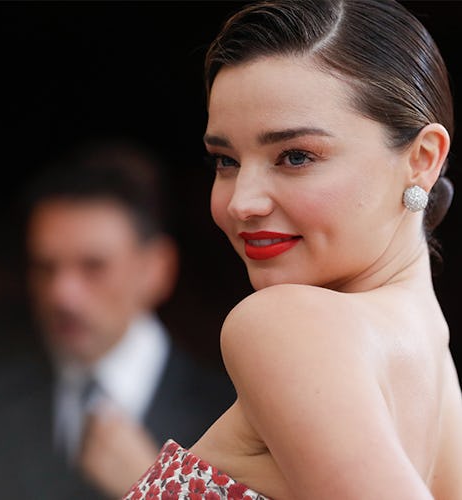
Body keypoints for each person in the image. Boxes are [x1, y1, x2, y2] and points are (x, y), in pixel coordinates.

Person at [123, 0, 462, 498]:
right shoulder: (440, 376)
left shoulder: (286, 322)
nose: (242, 202)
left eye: (295, 156)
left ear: (422, 159)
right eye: (225, 161)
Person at [0, 139, 236, 500]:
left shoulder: (233, 414)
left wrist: (159, 485)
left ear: (157, 269)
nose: (62, 294)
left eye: (94, 267)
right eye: (46, 268)